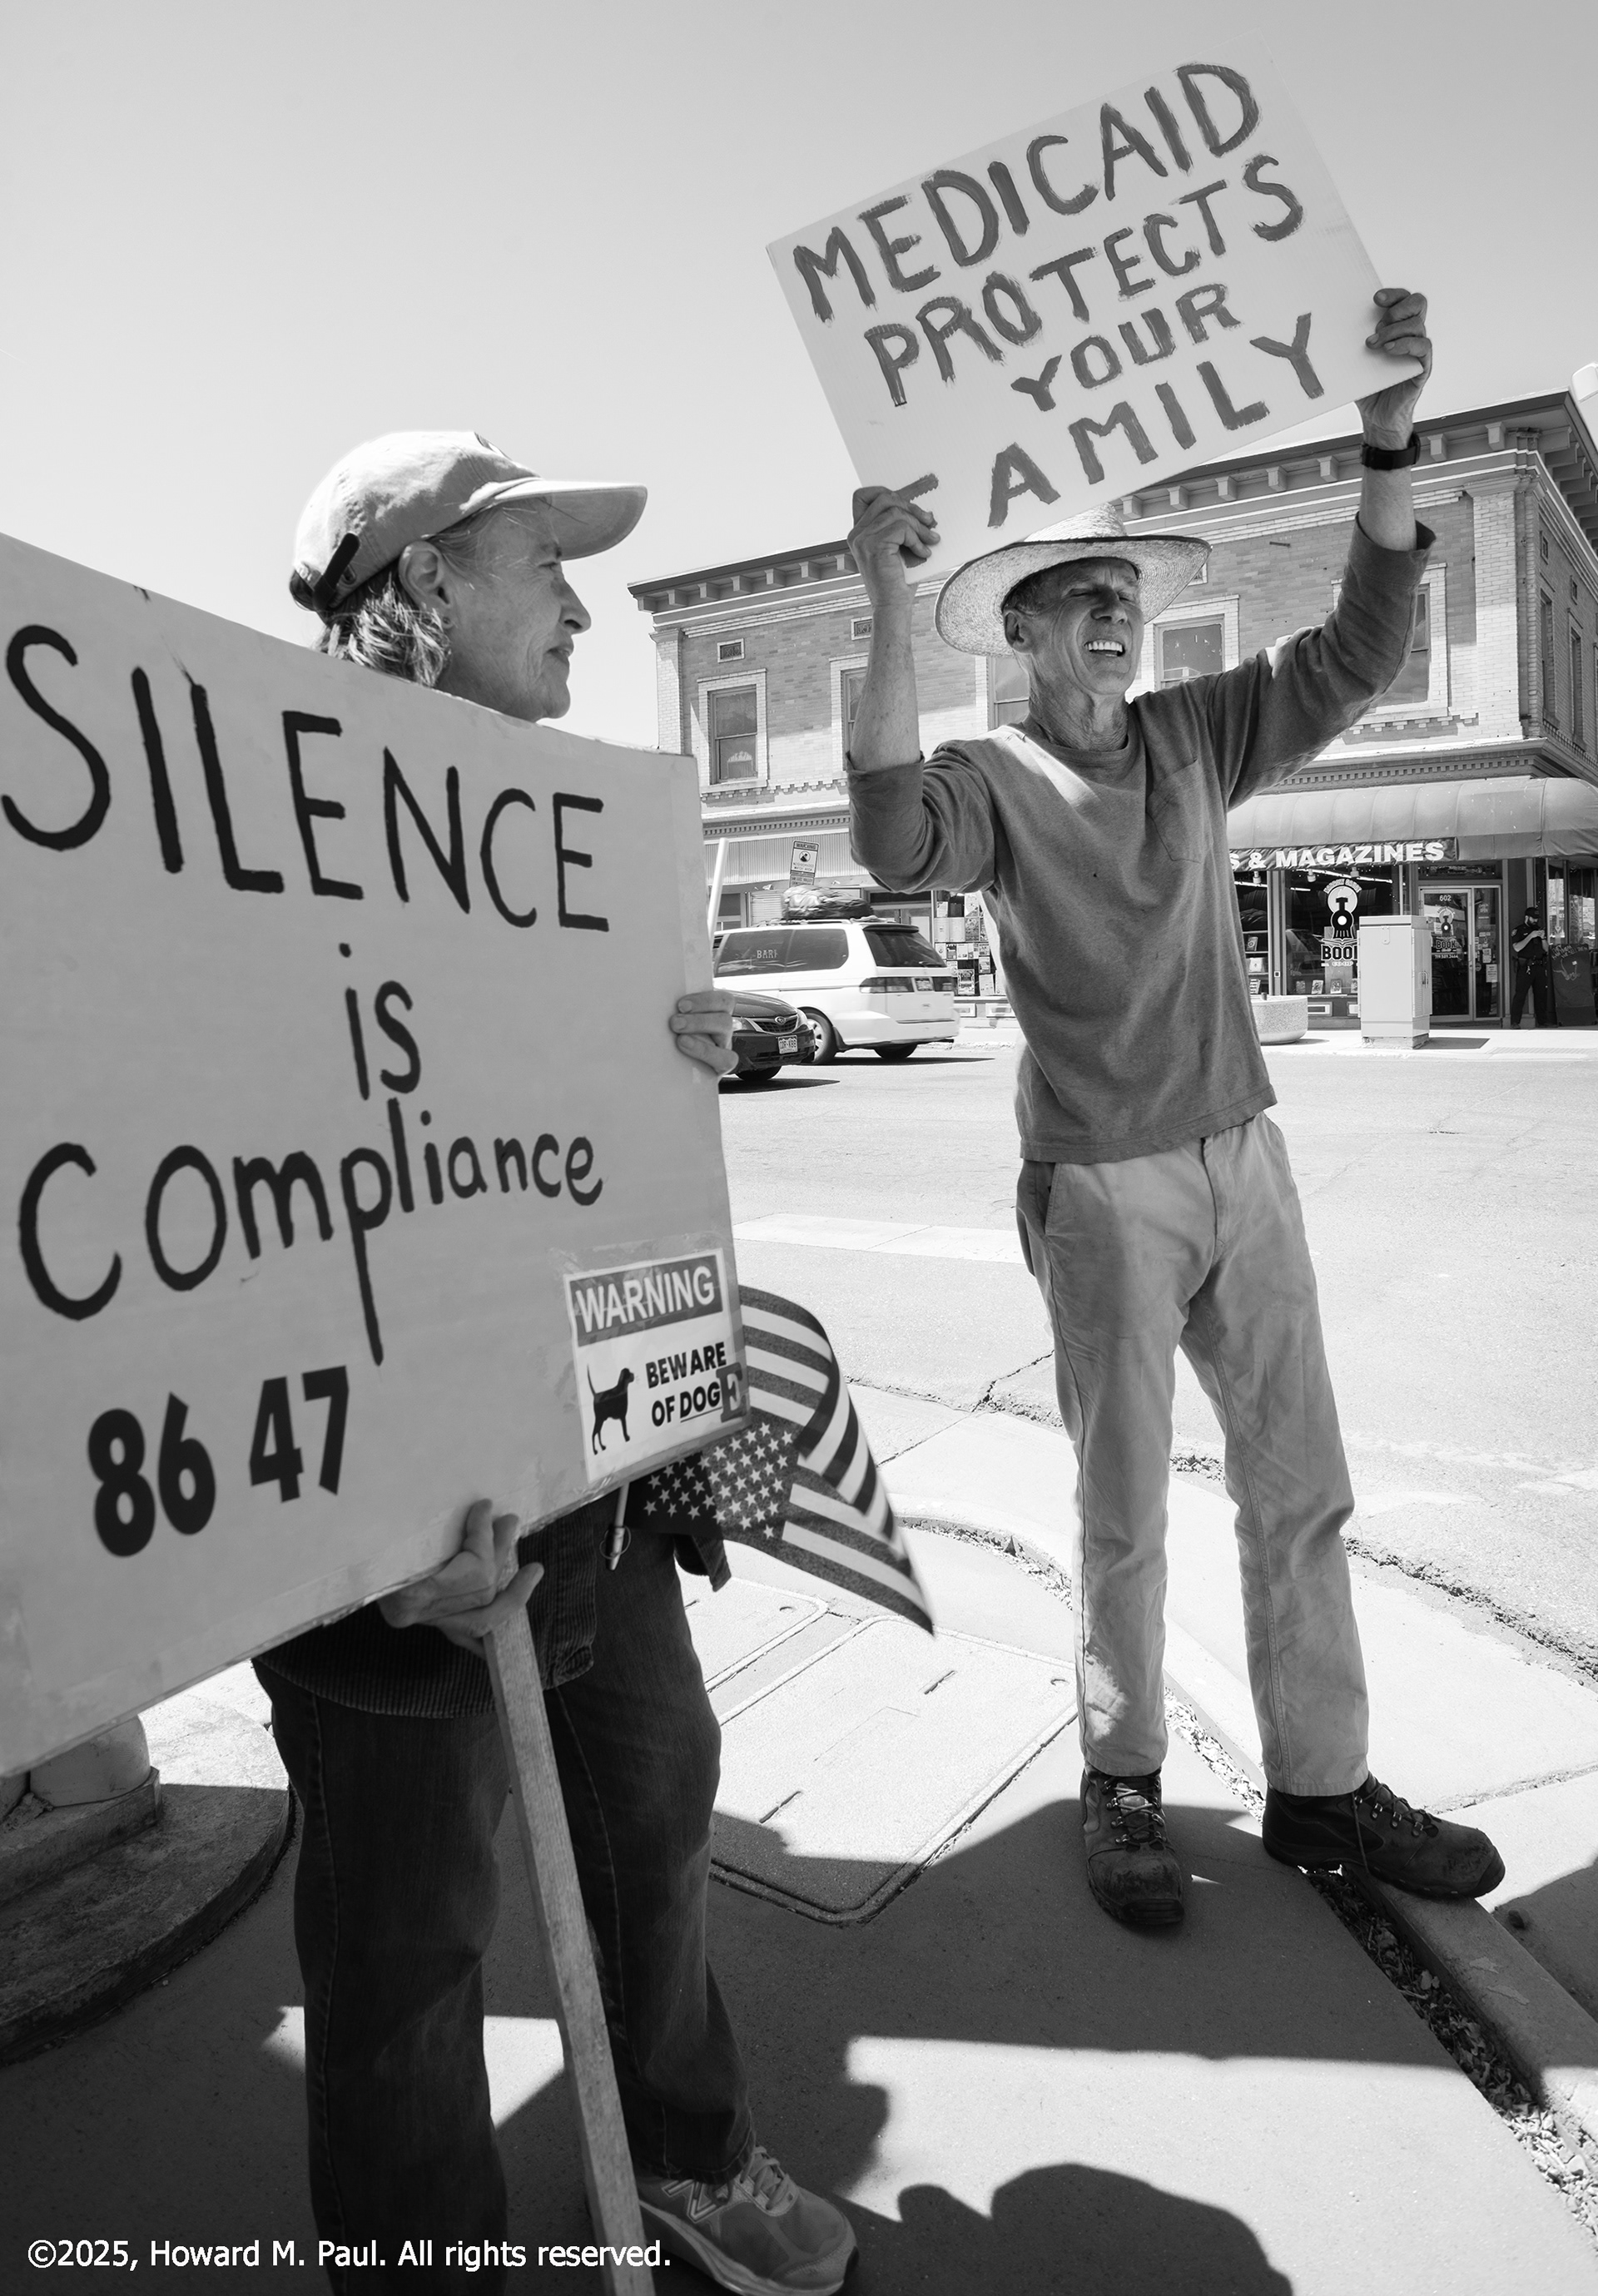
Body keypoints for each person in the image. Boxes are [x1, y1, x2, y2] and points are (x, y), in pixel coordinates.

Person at [258, 432, 857, 2296]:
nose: (585, 602)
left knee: (662, 1800)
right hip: (392, 1558)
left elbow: (602, 1189)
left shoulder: (587, 862)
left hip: (598, 1491)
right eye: (541, 564)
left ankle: (685, 2148)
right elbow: (222, 1231)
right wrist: (362, 1537)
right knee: (410, 1946)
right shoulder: (257, 851)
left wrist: (665, 1061)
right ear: (420, 593)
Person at [845, 292, 1506, 1927]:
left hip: (1243, 1156)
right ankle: (1123, 1781)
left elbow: (1360, 648)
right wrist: (874, 590)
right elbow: (879, 835)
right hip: (1099, 1187)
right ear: (1026, 635)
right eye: (1082, 600)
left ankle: (1325, 1790)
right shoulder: (993, 785)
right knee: (1121, 1499)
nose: (1117, 618)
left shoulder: (1202, 733)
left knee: (1302, 1480)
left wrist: (1387, 440)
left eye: (1128, 594)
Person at [1511, 906, 1554, 1027]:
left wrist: (1543, 938)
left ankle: (1543, 1021)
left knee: (1541, 995)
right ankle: (1515, 1022)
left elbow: (1546, 949)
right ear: (1526, 917)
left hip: (1539, 966)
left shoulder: (1539, 929)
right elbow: (1517, 947)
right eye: (1533, 918)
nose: (1536, 921)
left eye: (1537, 919)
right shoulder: (1518, 930)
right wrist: (1531, 936)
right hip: (1526, 967)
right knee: (1520, 995)